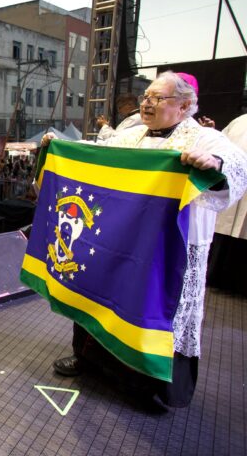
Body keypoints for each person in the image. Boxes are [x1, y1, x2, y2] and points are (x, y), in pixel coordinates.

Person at [43, 71, 247, 408]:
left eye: (156, 98)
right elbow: (96, 150)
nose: (146, 104)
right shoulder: (131, 136)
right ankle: (90, 362)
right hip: (121, 244)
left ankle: (149, 389)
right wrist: (60, 147)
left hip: (168, 251)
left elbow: (238, 165)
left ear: (184, 106)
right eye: (145, 97)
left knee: (155, 310)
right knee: (98, 296)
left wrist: (214, 164)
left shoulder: (204, 139)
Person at [207, 113, 247, 296]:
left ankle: (239, 286)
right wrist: (212, 132)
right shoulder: (239, 120)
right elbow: (224, 144)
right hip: (233, 186)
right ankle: (217, 278)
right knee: (224, 237)